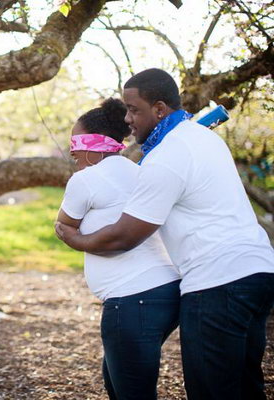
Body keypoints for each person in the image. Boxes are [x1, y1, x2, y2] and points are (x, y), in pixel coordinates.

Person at [55, 68, 274, 400]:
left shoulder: (167, 157)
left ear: (159, 109)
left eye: (134, 110)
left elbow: (124, 235)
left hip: (216, 281)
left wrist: (73, 238)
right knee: (245, 387)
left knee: (212, 391)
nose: (127, 119)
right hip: (257, 271)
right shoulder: (202, 138)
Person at [57, 98, 180, 400]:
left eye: (75, 142)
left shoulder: (84, 180)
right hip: (167, 293)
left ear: (92, 145)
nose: (72, 150)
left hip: (132, 300)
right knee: (114, 380)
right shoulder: (140, 172)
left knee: (130, 392)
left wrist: (77, 234)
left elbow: (62, 226)